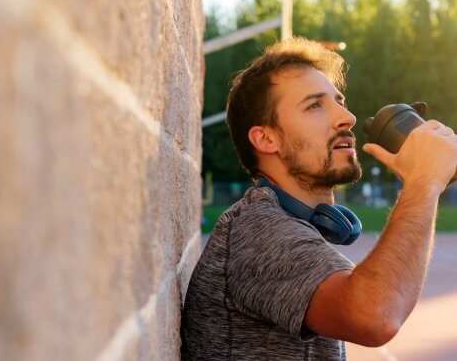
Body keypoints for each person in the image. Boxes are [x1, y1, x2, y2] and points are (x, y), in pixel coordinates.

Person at [180, 37, 457, 360]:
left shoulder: (288, 225)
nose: (347, 117)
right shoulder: (256, 232)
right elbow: (375, 316)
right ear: (266, 138)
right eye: (315, 105)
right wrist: (422, 184)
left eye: (340, 101)